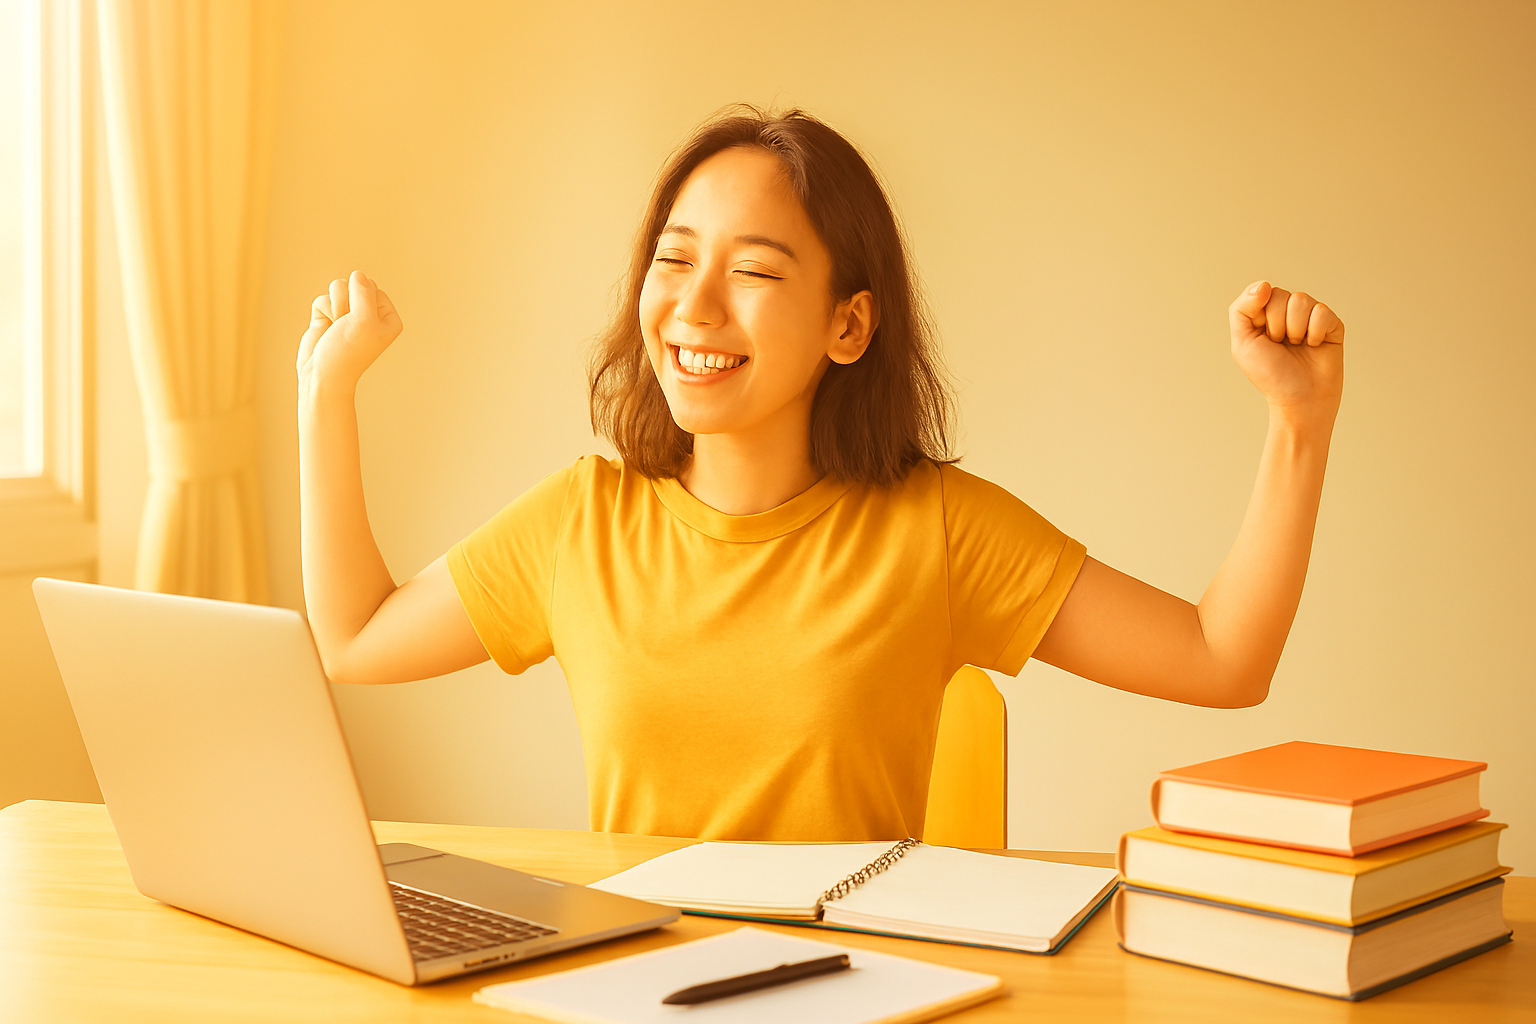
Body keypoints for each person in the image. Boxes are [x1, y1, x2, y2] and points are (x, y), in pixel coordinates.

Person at [295, 105, 1344, 842]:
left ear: (849, 324)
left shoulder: (935, 530)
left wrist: (1300, 419)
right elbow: (353, 637)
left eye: (753, 271)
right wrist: (324, 397)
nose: (696, 307)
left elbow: (1222, 659)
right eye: (674, 258)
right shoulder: (581, 522)